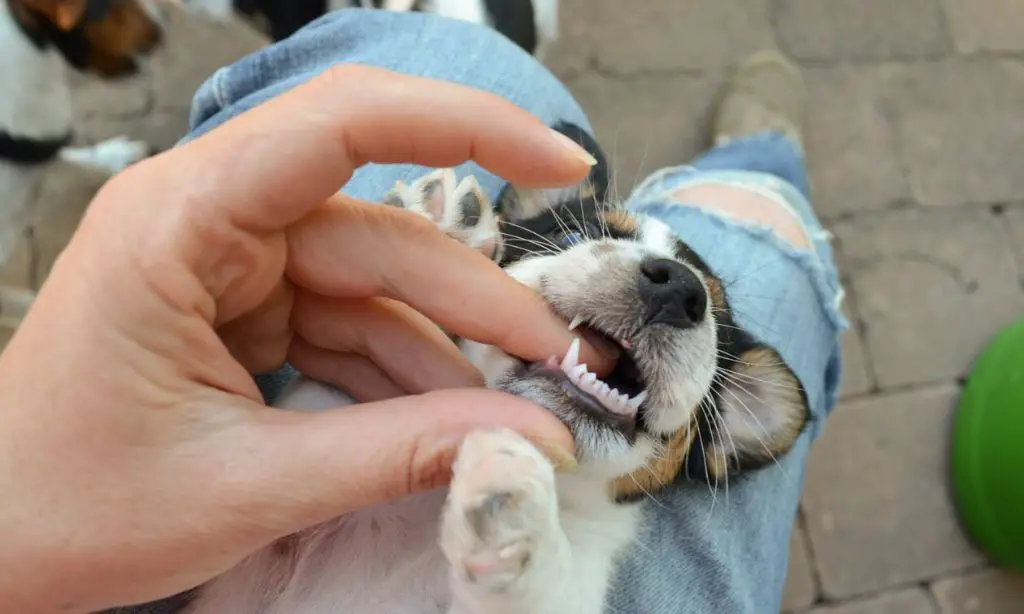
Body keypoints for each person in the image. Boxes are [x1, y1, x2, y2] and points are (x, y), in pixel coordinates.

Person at [0, 9, 847, 614]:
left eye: (697, 306)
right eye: (603, 239)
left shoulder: (581, 539)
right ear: (473, 283)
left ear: (699, 448)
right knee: (761, 227)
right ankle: (761, 173)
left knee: (451, 55)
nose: (667, 287)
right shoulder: (379, 365)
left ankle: (756, 170)